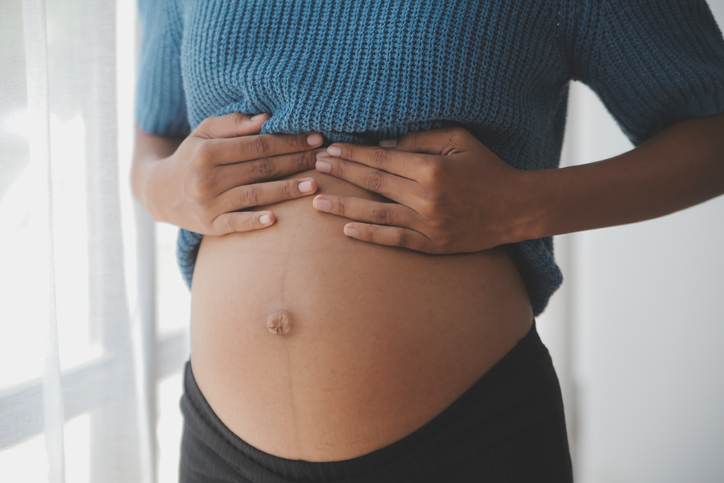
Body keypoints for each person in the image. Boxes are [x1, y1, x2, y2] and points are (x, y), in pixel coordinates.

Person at [131, 1, 724, 481]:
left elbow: (712, 130)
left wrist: (520, 206)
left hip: (465, 443)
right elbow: (151, 147)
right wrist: (168, 189)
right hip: (222, 449)